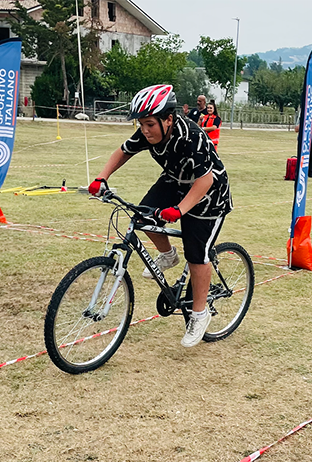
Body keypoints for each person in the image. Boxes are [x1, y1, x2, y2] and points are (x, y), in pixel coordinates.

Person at [88, 84, 233, 348]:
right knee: (143, 217)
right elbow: (123, 152)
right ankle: (168, 255)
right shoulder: (148, 131)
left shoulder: (191, 136)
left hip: (209, 192)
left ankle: (199, 315)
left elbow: (205, 180)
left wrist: (179, 210)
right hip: (175, 181)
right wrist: (102, 177)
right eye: (141, 124)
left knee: (196, 252)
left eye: (149, 124)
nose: (144, 130)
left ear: (169, 119)